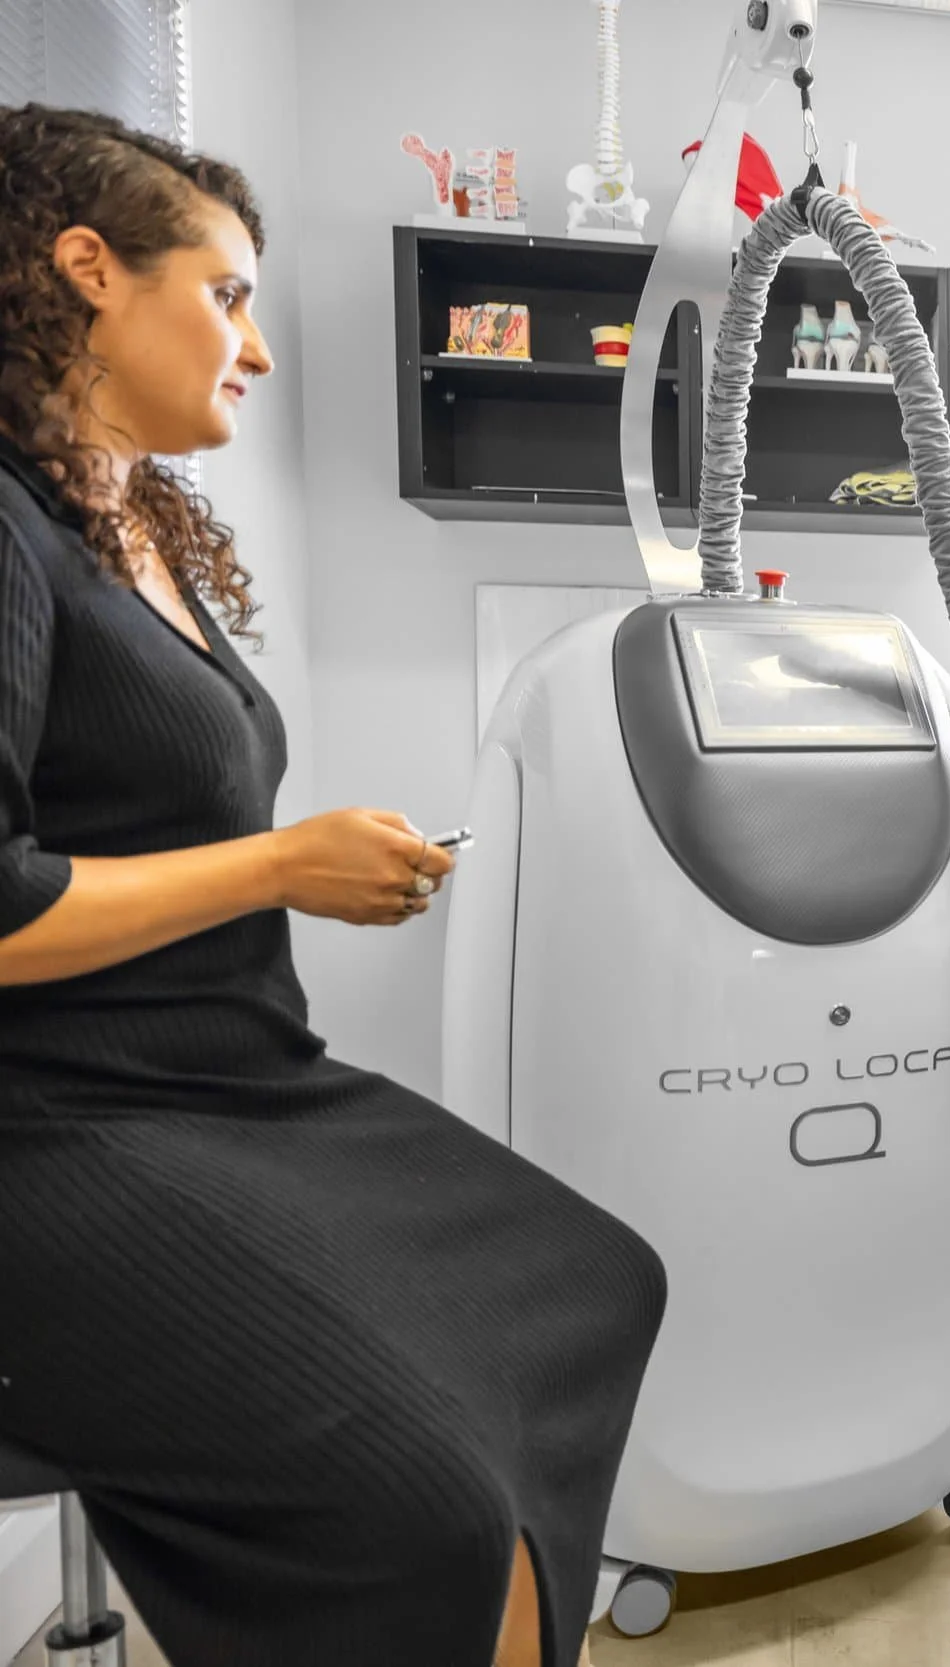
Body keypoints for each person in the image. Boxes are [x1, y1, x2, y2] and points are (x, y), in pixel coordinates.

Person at [0, 106, 664, 1666]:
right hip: (57, 1115)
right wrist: (286, 864)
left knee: (590, 1283)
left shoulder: (133, 527)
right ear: (88, 270)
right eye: (227, 295)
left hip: (233, 1078)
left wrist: (290, 874)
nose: (259, 348)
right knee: (416, 1498)